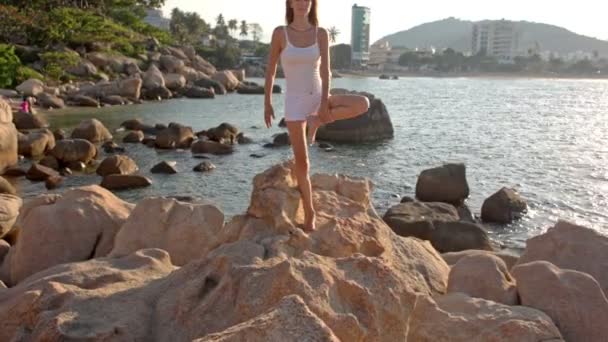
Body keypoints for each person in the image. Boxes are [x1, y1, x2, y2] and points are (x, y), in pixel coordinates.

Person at [264, 0, 370, 232]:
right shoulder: (280, 33)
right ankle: (310, 211)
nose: (302, 3)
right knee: (302, 163)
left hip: (318, 94)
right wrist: (267, 103)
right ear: (290, 3)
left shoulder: (320, 33)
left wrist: (323, 107)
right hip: (294, 102)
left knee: (363, 103)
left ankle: (317, 121)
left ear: (312, 4)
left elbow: (325, 70)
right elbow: (271, 70)